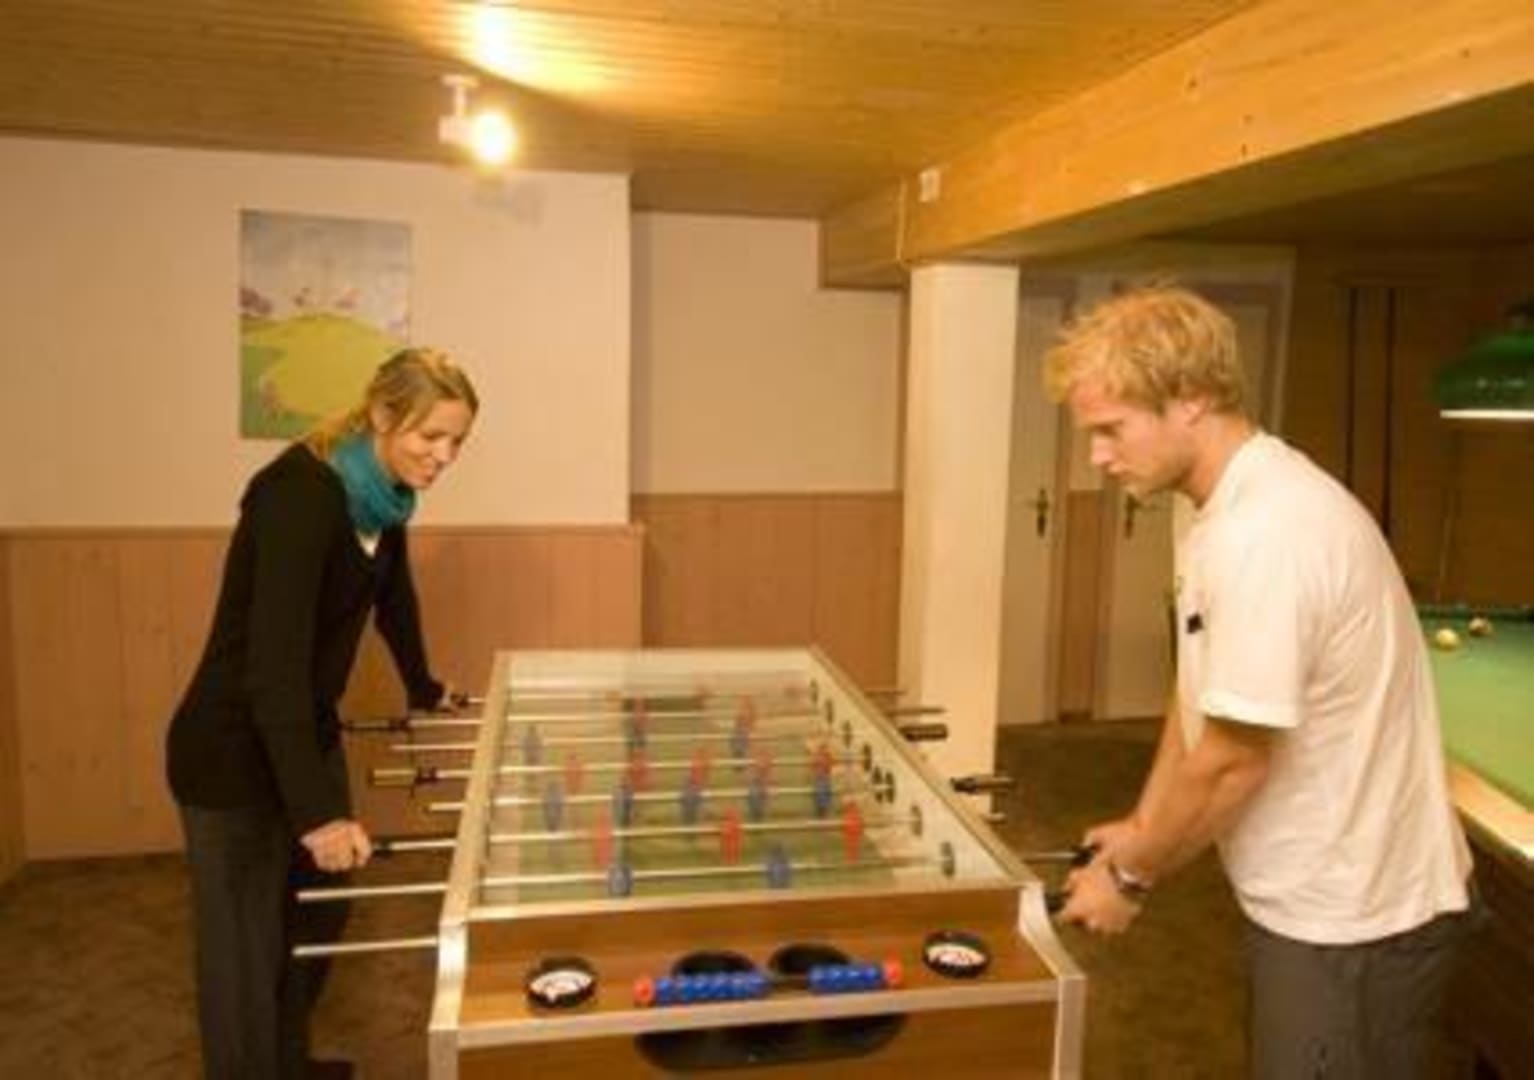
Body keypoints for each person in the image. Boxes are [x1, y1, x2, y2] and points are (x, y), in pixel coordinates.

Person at [1042, 285, 1473, 1078]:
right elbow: (1199, 692)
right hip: (1320, 894)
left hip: (1354, 914)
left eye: (1111, 429)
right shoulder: (1213, 504)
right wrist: (1143, 823)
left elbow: (1235, 760)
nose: (1097, 456)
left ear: (1192, 399)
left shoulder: (1269, 533)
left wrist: (1131, 877)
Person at [166, 347, 478, 1079]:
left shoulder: (384, 498)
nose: (444, 456)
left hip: (302, 730)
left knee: (317, 906)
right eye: (431, 435)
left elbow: (392, 597)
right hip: (230, 748)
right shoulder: (299, 495)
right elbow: (271, 670)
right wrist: (318, 816)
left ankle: (284, 1060)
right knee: (244, 954)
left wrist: (422, 685)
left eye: (458, 441)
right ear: (382, 415)